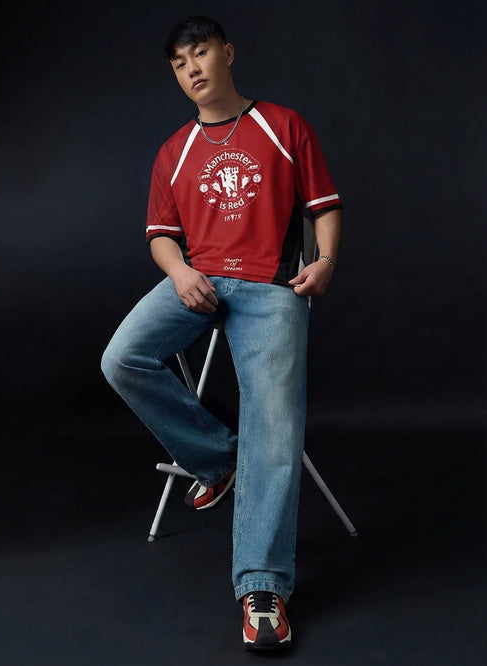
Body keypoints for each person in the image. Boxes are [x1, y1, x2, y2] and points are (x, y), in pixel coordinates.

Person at [101, 15, 342, 651]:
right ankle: (217, 457)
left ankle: (263, 586)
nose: (192, 70)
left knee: (275, 419)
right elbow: (161, 235)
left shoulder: (283, 126)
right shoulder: (174, 151)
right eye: (180, 65)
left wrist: (324, 261)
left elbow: (323, 206)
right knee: (122, 358)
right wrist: (181, 273)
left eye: (200, 54)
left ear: (227, 54)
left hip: (271, 287)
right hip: (199, 282)